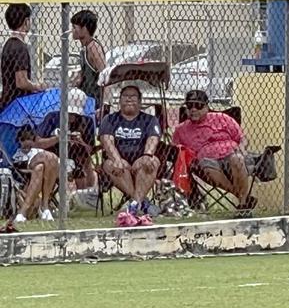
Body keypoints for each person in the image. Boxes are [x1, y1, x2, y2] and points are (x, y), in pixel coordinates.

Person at [172, 90, 256, 211]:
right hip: (206, 162)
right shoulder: (181, 129)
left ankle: (243, 201)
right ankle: (243, 201)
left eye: (198, 105)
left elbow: (242, 138)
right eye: (189, 105)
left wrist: (241, 149)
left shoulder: (222, 118)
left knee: (237, 159)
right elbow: (174, 150)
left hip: (231, 155)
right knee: (207, 165)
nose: (193, 109)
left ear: (206, 106)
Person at [98, 84, 161, 224]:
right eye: (125, 96)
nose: (129, 99)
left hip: (140, 159)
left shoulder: (150, 120)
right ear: (119, 100)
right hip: (119, 161)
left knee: (153, 162)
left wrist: (147, 155)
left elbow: (153, 138)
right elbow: (106, 140)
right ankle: (140, 203)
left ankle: (134, 205)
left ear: (140, 101)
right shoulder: (109, 119)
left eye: (133, 96)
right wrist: (117, 159)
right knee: (110, 164)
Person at [34, 88, 97, 190]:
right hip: (53, 156)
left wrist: (80, 141)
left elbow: (90, 150)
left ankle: (83, 197)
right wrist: (58, 138)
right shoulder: (52, 117)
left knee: (82, 168)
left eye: (75, 114)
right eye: (69, 113)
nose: (72, 116)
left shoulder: (86, 121)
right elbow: (38, 143)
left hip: (76, 159)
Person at [1, 4, 46, 112]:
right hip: (18, 104)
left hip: (8, 101)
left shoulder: (8, 44)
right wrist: (38, 87)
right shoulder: (20, 48)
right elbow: (21, 82)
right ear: (26, 21)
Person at [11, 125, 58, 223]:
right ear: (19, 140)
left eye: (29, 138)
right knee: (51, 157)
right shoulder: (17, 151)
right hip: (23, 168)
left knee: (39, 168)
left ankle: (22, 212)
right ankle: (45, 207)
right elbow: (15, 164)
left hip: (38, 170)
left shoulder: (36, 150)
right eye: (23, 139)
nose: (26, 141)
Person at [70, 9, 106, 105]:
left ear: (84, 29)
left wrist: (105, 103)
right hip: (87, 99)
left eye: (74, 27)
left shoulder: (93, 47)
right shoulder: (85, 48)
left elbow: (104, 73)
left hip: (95, 101)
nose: (72, 31)